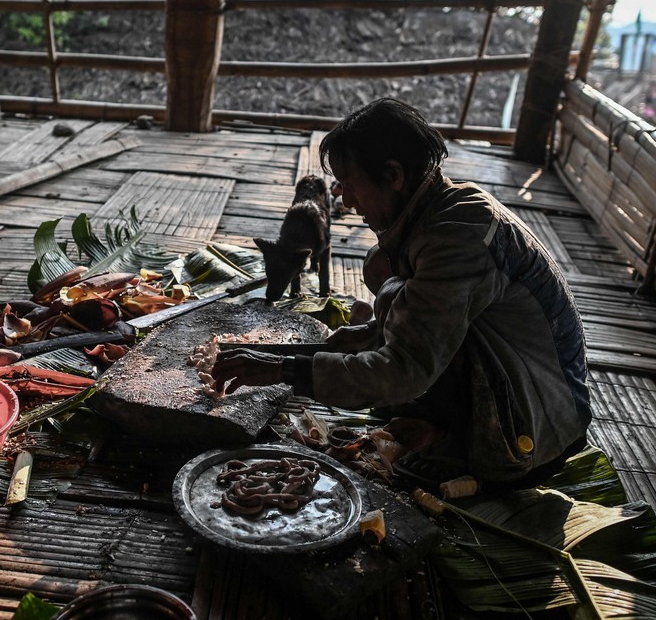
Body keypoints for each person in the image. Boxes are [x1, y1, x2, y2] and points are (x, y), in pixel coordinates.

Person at [213, 97, 590, 489]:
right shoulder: (439, 207)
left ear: (393, 175)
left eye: (350, 182)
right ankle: (439, 424)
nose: (344, 198)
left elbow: (404, 368)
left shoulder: (457, 237)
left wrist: (283, 370)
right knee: (382, 267)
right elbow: (424, 315)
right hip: (514, 377)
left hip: (537, 429)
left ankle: (465, 447)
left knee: (395, 345)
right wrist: (368, 335)